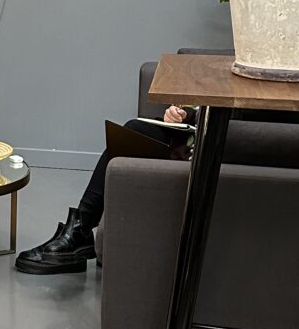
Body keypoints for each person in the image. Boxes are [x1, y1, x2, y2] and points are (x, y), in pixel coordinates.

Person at [15, 105, 195, 274]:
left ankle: (80, 230)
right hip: (188, 132)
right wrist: (183, 113)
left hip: (200, 146)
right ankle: (80, 227)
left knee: (134, 134)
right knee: (132, 131)